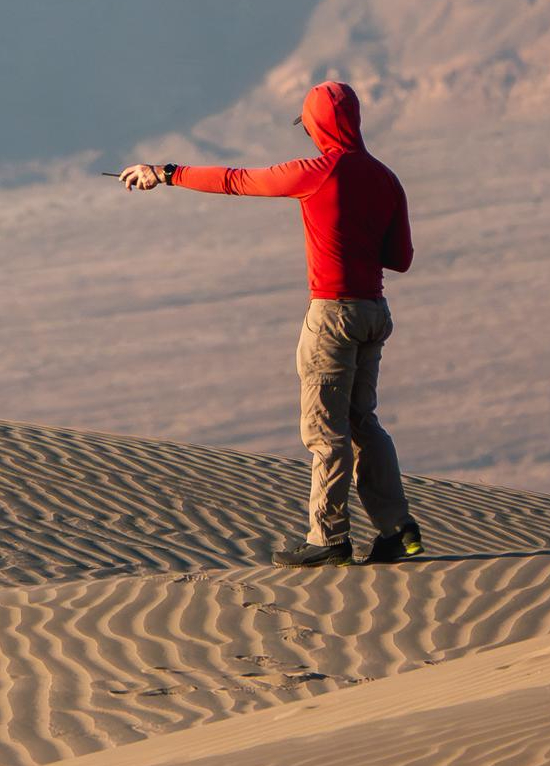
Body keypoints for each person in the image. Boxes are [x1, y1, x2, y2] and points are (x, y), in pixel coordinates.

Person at [119, 81, 422, 567]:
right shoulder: (386, 178)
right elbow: (401, 259)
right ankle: (397, 529)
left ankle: (328, 538)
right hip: (373, 312)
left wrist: (165, 173)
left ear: (318, 124)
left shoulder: (318, 171)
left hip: (333, 314)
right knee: (364, 421)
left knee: (325, 431)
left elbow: (238, 180)